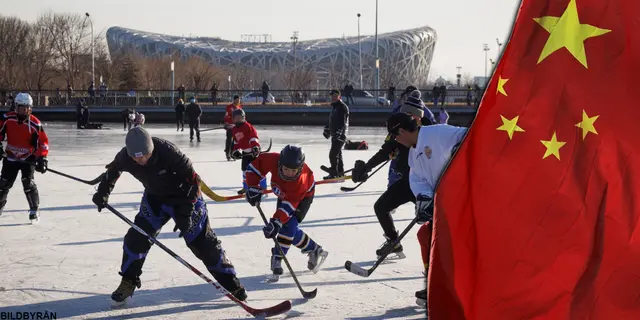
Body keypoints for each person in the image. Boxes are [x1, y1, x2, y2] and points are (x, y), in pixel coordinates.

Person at [91, 127, 247, 306]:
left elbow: (194, 182)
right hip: (155, 199)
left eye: (144, 156)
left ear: (152, 149)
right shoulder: (125, 156)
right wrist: (103, 191)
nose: (140, 160)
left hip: (186, 198)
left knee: (202, 242)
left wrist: (186, 214)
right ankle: (128, 281)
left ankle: (231, 284)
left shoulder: (170, 153)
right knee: (136, 238)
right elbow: (113, 169)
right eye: (135, 157)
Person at [385, 112, 467, 307]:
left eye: (395, 135)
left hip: (464, 199)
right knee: (426, 236)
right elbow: (418, 180)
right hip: (445, 205)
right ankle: (435, 283)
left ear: (403, 131)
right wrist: (424, 199)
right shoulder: (413, 154)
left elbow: (468, 135)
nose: (396, 140)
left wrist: (459, 150)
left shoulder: (436, 133)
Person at [350, 92, 432, 260]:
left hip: (426, 185)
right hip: (407, 182)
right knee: (381, 207)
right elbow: (385, 151)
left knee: (435, 223)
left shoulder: (430, 132)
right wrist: (366, 168)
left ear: (419, 116)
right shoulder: (400, 128)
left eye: (412, 115)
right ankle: (393, 242)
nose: (408, 117)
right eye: (406, 114)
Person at [244, 145, 329, 281]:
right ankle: (314, 249)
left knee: (287, 225)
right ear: (279, 164)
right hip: (285, 193)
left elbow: (289, 206)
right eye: (286, 169)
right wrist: (253, 187)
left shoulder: (300, 182)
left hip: (302, 197)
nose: (289, 173)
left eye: (293, 171)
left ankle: (277, 257)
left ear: (300, 169)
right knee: (289, 228)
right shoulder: (272, 159)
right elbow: (253, 168)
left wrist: (276, 222)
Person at [0, 93, 49, 223]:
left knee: (28, 182)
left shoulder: (35, 124)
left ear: (30, 108)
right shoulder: (7, 119)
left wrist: (42, 158)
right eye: (21, 108)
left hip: (28, 158)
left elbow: (43, 143)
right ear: (15, 107)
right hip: (11, 157)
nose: (23, 111)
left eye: (26, 108)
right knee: (3, 184)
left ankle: (34, 209)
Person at [229, 108, 267, 195]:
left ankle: (263, 186)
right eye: (236, 118)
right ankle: (245, 187)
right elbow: (236, 141)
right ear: (233, 119)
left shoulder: (247, 126)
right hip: (245, 153)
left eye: (240, 117)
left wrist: (255, 147)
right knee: (244, 170)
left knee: (258, 170)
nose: (238, 119)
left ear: (243, 117)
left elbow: (253, 137)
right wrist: (236, 150)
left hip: (253, 153)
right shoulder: (234, 129)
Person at [321, 90, 349, 180]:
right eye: (332, 96)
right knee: (338, 154)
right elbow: (332, 121)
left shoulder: (342, 107)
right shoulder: (335, 107)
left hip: (341, 135)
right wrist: (327, 129)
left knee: (333, 154)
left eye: (335, 96)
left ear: (339, 97)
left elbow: (343, 122)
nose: (333, 97)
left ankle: (333, 172)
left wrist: (339, 132)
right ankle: (340, 173)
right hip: (335, 135)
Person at [223, 96, 242, 160]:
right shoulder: (229, 107)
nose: (238, 101)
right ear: (234, 100)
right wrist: (226, 122)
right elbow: (226, 115)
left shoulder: (239, 107)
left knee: (235, 141)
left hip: (237, 127)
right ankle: (227, 153)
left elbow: (242, 117)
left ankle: (232, 154)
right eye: (237, 100)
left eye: (239, 100)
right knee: (229, 140)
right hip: (230, 126)